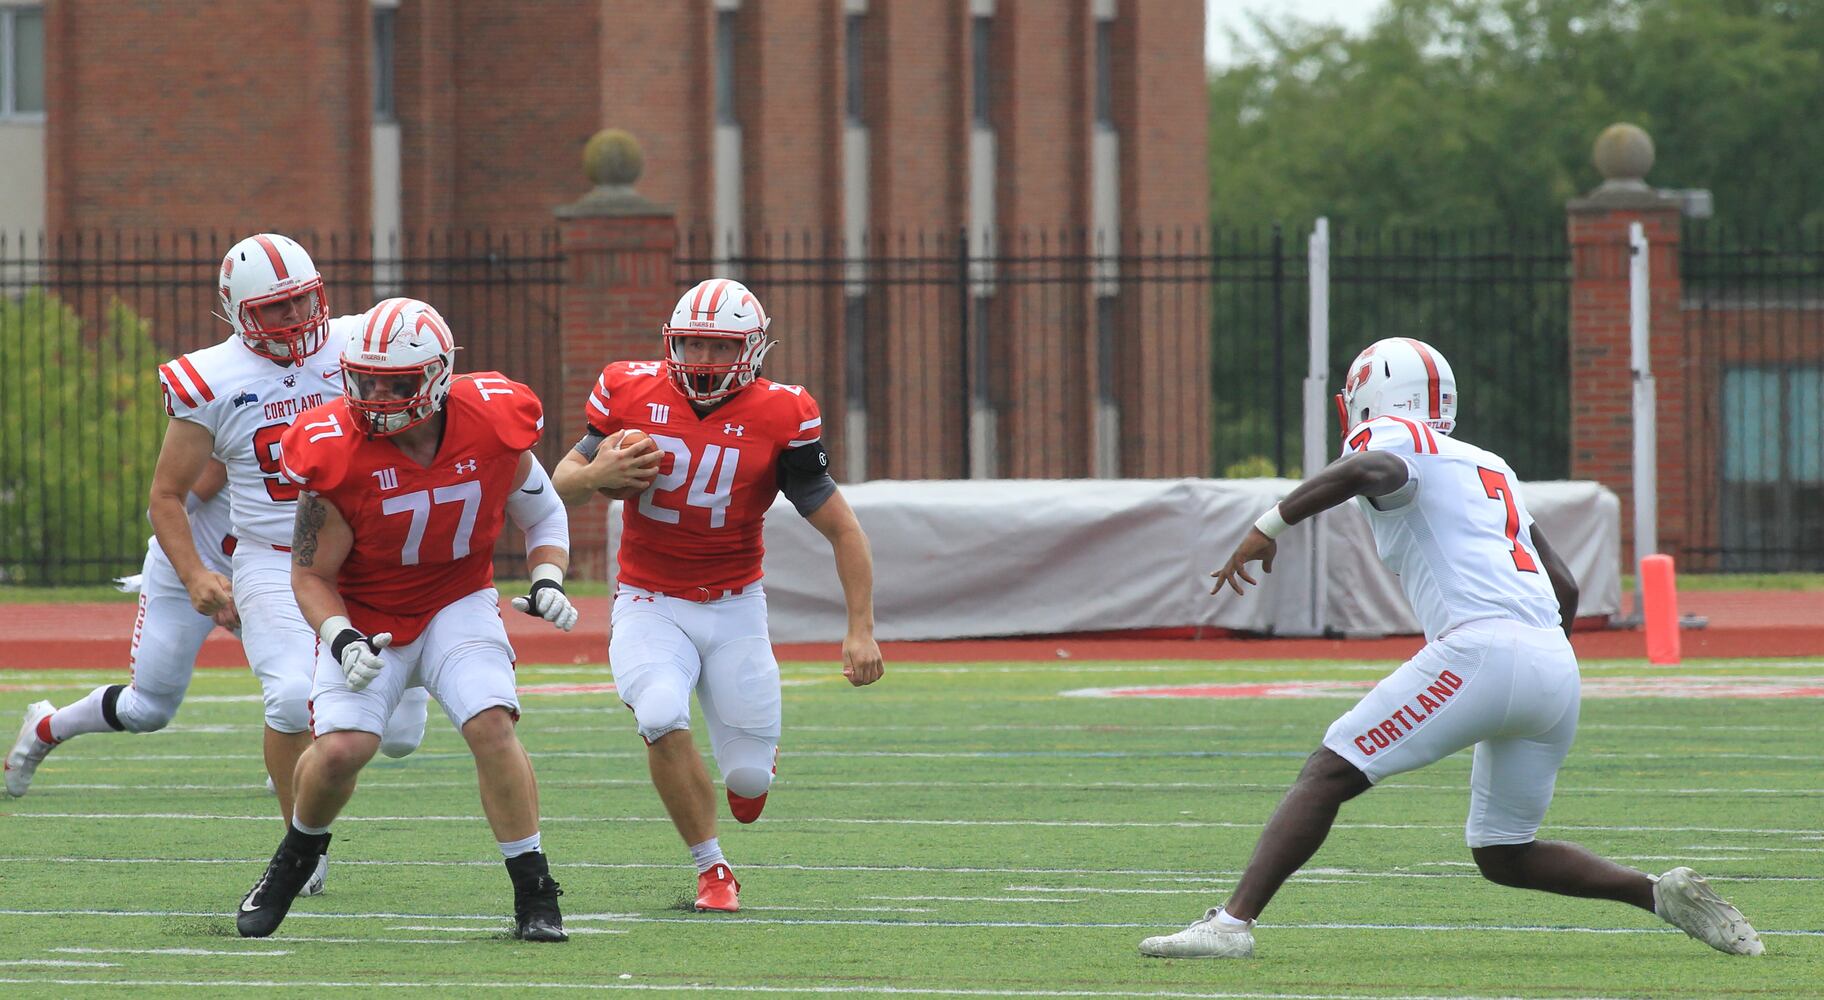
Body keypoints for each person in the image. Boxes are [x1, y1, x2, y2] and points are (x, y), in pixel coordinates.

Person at [1138, 338, 1763, 960]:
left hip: (1480, 649)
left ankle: (1231, 924)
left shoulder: (1390, 438)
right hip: (1553, 662)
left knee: (1328, 772)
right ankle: (1657, 894)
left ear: (1368, 397)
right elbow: (1565, 585)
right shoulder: (1489, 463)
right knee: (1503, 851)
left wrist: (1266, 526)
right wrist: (1528, 662)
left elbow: (1367, 471)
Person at [234, 297, 576, 941]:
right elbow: (309, 574)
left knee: (490, 723)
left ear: (440, 376)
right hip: (367, 615)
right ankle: (294, 858)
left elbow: (544, 514)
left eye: (395, 383)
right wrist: (339, 639)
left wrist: (547, 576)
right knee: (342, 750)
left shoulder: (494, 420)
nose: (376, 396)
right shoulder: (332, 446)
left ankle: (535, 890)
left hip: (457, 598)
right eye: (363, 380)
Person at [551, 277, 884, 913]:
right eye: (694, 344)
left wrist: (860, 628)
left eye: (720, 347)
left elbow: (844, 529)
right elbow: (558, 485)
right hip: (650, 600)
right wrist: (596, 475)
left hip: (735, 606)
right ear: (673, 342)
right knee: (657, 714)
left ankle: (755, 766)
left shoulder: (782, 413)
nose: (704, 360)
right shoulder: (627, 388)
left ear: (753, 351)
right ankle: (712, 868)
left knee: (749, 781)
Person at [123, 234, 427, 896]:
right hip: (272, 556)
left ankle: (407, 680)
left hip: (367, 553)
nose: (294, 322)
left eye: (301, 303)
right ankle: (303, 842)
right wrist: (197, 574)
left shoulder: (359, 341)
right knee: (291, 698)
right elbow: (167, 495)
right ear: (236, 311)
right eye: (274, 310)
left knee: (401, 736)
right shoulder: (210, 379)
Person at [6, 464, 431, 821]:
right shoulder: (241, 421)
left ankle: (298, 765)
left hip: (278, 580)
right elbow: (171, 506)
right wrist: (199, 575)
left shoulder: (346, 428)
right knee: (148, 708)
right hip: (196, 570)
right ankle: (46, 727)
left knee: (329, 696)